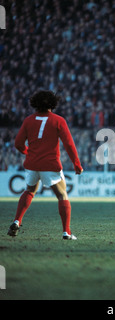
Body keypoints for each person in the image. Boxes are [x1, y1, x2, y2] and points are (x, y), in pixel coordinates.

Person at [7, 90, 83, 240]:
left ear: (35, 103)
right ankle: (66, 232)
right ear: (53, 104)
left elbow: (18, 144)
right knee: (62, 195)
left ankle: (17, 221)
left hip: (32, 164)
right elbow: (68, 143)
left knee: (29, 191)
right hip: (50, 164)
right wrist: (76, 163)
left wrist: (28, 152)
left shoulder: (28, 120)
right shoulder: (58, 120)